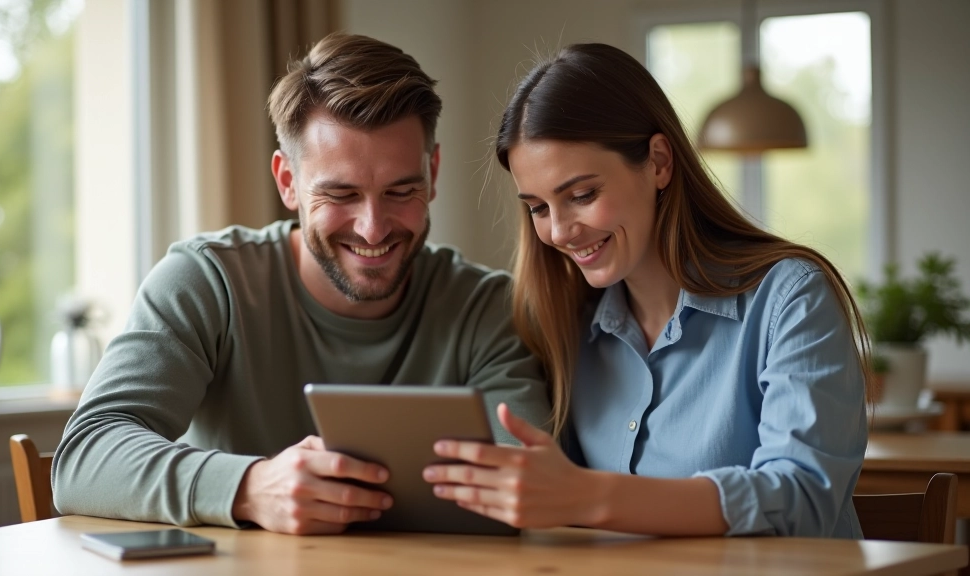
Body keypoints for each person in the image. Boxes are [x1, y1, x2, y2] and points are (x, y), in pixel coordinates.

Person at [52, 32, 550, 536]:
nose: (373, 227)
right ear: (287, 181)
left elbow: (529, 476)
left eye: (401, 190)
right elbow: (84, 456)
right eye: (341, 194)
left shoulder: (487, 308)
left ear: (433, 171)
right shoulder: (208, 282)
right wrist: (251, 485)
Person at [422, 43, 871, 538]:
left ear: (658, 162)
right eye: (538, 207)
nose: (559, 231)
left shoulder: (790, 299)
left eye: (581, 195)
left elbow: (801, 498)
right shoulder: (563, 323)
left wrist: (586, 495)